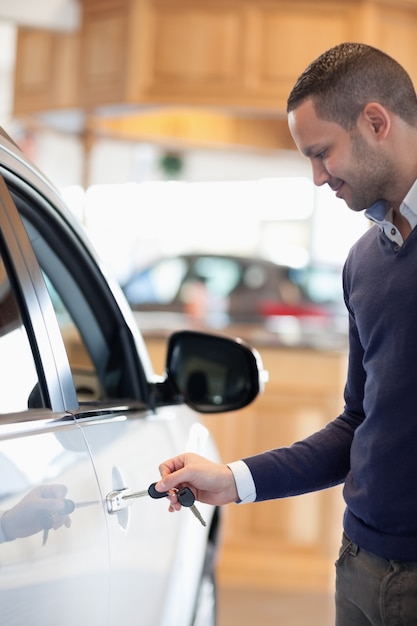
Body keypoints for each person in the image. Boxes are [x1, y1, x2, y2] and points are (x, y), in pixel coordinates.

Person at [154, 42, 417, 625]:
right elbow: (360, 422)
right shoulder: (364, 262)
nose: (318, 177)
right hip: (360, 565)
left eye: (322, 153)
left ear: (376, 122)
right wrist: (232, 481)